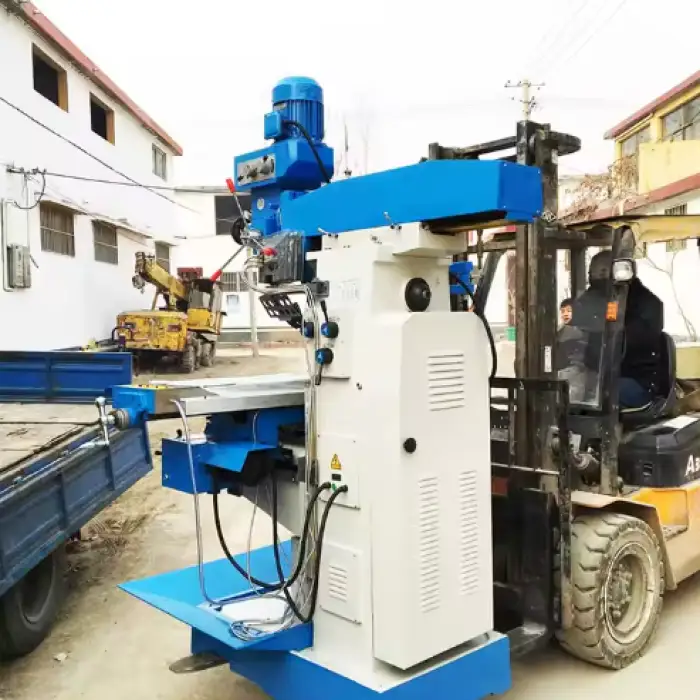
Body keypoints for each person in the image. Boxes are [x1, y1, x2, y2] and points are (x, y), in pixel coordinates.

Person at [574, 251, 664, 410]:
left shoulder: (646, 303)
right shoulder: (596, 297)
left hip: (637, 380)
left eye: (602, 272)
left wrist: (603, 327)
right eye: (591, 274)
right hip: (601, 375)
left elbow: (627, 340)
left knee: (592, 393)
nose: (596, 280)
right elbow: (577, 318)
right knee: (566, 389)